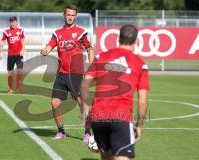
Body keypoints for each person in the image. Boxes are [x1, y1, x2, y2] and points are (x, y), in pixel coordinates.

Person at [80, 25, 150, 160]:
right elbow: (142, 102)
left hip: (98, 117)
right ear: (136, 41)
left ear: (119, 38)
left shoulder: (101, 57)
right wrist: (139, 126)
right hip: (121, 117)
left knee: (106, 158)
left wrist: (87, 113)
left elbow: (83, 86)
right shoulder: (140, 63)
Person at [40, 4, 95, 141]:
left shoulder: (81, 32)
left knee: (81, 103)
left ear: (75, 16)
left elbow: (90, 49)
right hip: (61, 74)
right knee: (54, 103)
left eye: (72, 15)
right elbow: (50, 46)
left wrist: (92, 65)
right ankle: (61, 132)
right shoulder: (57, 33)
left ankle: (88, 132)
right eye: (68, 14)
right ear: (63, 15)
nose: (70, 17)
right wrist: (45, 50)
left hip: (76, 74)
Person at [0, 16, 25, 94]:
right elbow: (2, 41)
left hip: (19, 54)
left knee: (20, 71)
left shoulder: (21, 30)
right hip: (11, 54)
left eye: (14, 22)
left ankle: (18, 88)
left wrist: (23, 49)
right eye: (11, 22)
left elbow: (23, 39)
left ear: (16, 22)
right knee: (10, 72)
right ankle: (11, 88)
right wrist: (0, 52)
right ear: (9, 23)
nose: (12, 23)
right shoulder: (6, 31)